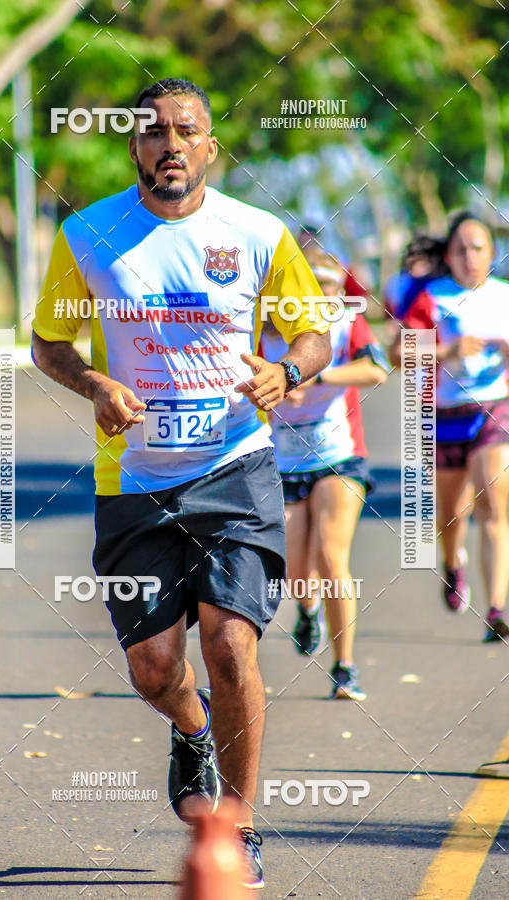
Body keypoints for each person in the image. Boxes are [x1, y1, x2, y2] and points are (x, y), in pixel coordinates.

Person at [31, 78, 331, 889]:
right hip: (132, 482)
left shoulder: (258, 233)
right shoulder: (90, 233)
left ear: (209, 147)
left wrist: (284, 368)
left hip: (235, 468)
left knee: (231, 645)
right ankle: (190, 730)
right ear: (133, 148)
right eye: (153, 132)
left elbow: (311, 333)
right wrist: (93, 383)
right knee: (155, 671)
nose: (169, 143)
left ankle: (236, 824)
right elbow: (48, 342)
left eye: (185, 130)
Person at [261, 247, 389, 700]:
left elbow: (376, 368)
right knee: (297, 569)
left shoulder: (344, 324)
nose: (323, 294)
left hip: (339, 456)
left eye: (332, 286)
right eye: (313, 285)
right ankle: (308, 609)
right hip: (285, 460)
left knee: (332, 556)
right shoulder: (263, 329)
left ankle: (345, 667)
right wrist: (270, 389)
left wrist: (316, 378)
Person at [390, 212, 509, 641]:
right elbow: (398, 355)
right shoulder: (431, 297)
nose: (469, 256)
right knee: (451, 514)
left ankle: (497, 610)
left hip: (495, 410)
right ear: (449, 255)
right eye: (460, 248)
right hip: (441, 416)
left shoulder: (505, 296)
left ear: (492, 253)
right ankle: (453, 561)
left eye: (478, 247)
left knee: (494, 504)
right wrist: (447, 348)